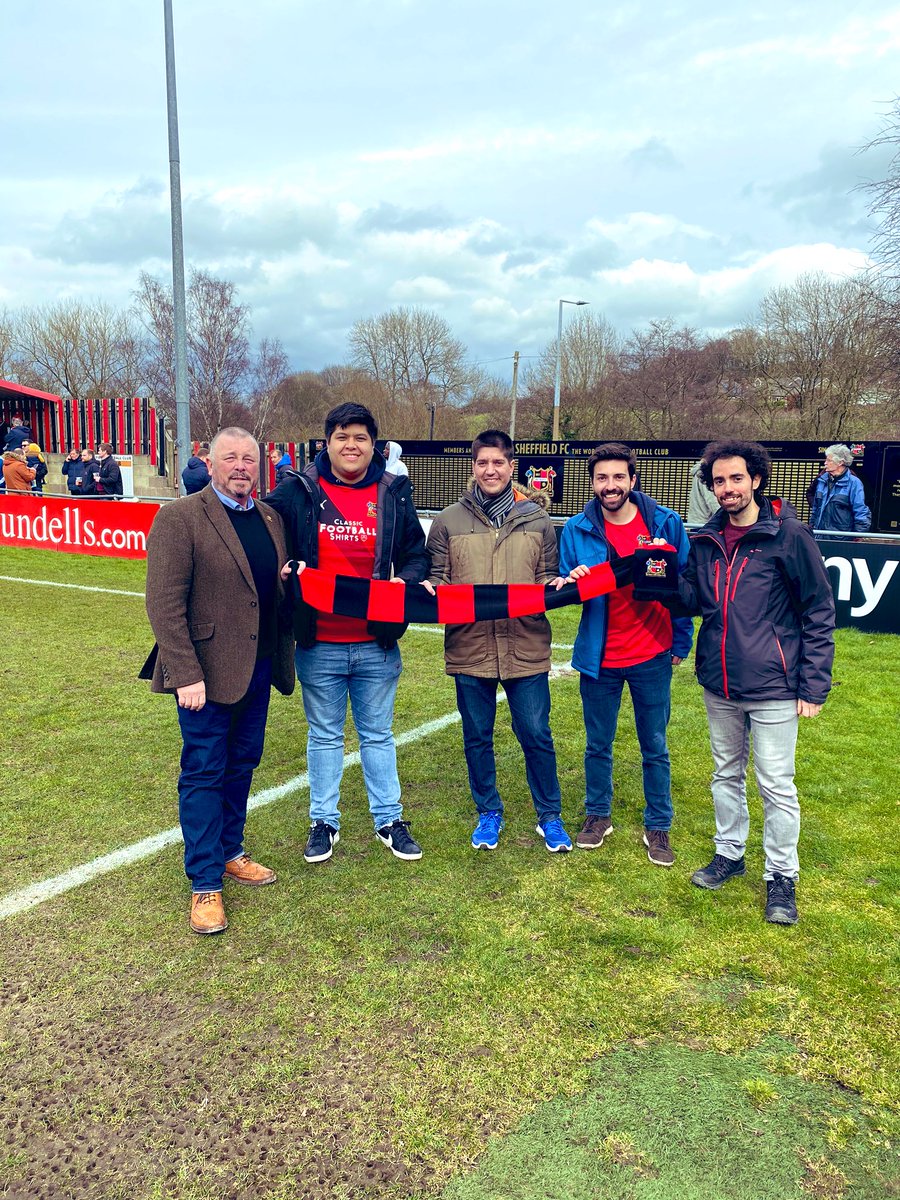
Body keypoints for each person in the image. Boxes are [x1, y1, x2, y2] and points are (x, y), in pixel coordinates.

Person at [143, 427, 295, 935]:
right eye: (230, 457)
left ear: (260, 465)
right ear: (209, 463)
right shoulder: (179, 517)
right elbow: (164, 606)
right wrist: (185, 672)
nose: (240, 466)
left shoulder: (271, 517)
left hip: (257, 669)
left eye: (248, 459)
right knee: (204, 771)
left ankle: (231, 850)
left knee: (243, 763)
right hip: (203, 677)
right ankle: (204, 882)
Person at [675, 439, 834, 925]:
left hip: (774, 686)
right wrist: (655, 573)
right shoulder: (705, 540)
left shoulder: (789, 536)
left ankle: (781, 877)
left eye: (736, 478)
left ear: (757, 480)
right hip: (718, 683)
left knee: (775, 784)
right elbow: (691, 601)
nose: (728, 488)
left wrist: (813, 685)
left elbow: (819, 611)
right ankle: (730, 853)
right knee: (725, 773)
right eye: (719, 481)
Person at [266, 402, 428, 865]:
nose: (351, 445)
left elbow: (416, 552)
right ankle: (323, 821)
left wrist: (408, 581)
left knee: (378, 734)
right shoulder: (299, 490)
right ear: (328, 443)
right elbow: (259, 529)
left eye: (360, 437)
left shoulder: (393, 490)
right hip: (319, 642)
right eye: (342, 437)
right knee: (324, 736)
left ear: (372, 445)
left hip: (377, 640)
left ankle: (389, 820)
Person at [425, 429, 572, 853]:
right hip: (469, 647)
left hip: (524, 646)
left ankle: (550, 815)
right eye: (482, 462)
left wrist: (557, 582)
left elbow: (546, 575)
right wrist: (430, 586)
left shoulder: (538, 522)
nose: (490, 470)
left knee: (535, 733)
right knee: (477, 736)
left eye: (498, 463)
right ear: (473, 467)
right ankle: (488, 811)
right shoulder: (448, 520)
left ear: (512, 467)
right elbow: (439, 578)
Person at [559, 443, 693, 865]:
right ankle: (598, 815)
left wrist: (680, 640)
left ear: (632, 480)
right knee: (598, 743)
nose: (610, 485)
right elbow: (563, 585)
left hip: (651, 653)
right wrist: (573, 578)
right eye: (602, 478)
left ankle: (659, 824)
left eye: (618, 477)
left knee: (654, 744)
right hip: (599, 656)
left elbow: (685, 588)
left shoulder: (666, 523)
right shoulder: (576, 530)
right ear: (593, 482)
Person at [808, 444, 871, 535]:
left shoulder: (854, 483)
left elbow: (860, 510)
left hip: (841, 539)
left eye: (829, 460)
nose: (825, 463)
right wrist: (812, 527)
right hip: (819, 536)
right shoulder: (822, 480)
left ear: (840, 462)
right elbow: (816, 509)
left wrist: (858, 535)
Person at [687, 460, 719, 526]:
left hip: (697, 523)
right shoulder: (705, 473)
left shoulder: (702, 472)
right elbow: (713, 502)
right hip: (703, 526)